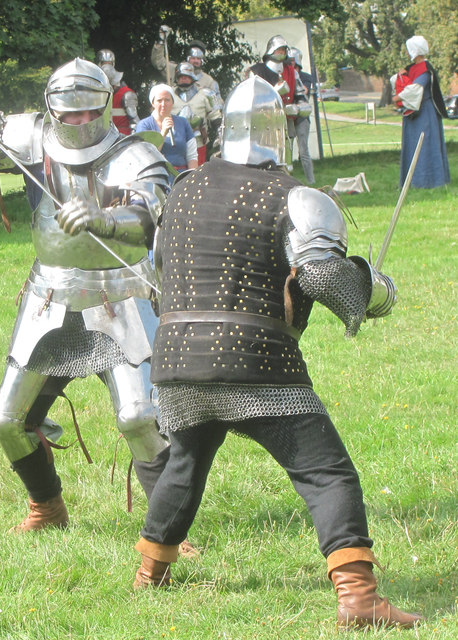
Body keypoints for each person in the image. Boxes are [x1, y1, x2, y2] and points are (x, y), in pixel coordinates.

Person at [131, 75, 423, 631]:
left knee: (186, 463)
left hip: (175, 360)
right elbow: (322, 277)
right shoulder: (296, 196)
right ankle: (360, 600)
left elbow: (157, 274)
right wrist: (373, 290)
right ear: (279, 130)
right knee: (326, 472)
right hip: (255, 360)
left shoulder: (183, 189)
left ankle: (149, 574)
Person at [0, 57, 173, 533]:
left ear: (105, 107)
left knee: (140, 418)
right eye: (70, 114)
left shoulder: (135, 154)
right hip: (48, 297)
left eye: (89, 113)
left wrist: (105, 219)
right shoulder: (30, 135)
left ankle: (168, 526)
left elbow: (149, 215)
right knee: (5, 420)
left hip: (120, 296)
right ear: (53, 110)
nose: (80, 123)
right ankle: (46, 508)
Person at [393, 36, 450, 189]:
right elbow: (402, 82)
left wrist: (397, 98)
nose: (406, 52)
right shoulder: (412, 68)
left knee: (424, 146)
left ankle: (427, 181)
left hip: (425, 114)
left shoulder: (425, 69)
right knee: (412, 146)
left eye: (408, 49)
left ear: (414, 50)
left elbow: (416, 89)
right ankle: (411, 181)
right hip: (413, 114)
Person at [246, 35, 302, 167]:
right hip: (263, 120)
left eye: (283, 49)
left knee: (287, 159)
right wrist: (275, 92)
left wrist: (296, 108)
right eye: (279, 49)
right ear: (271, 50)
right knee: (264, 154)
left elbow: (301, 98)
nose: (281, 52)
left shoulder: (291, 71)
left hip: (286, 120)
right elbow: (251, 99)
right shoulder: (257, 71)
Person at [136, 84, 198, 178]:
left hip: (181, 177)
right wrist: (163, 133)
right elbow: (147, 156)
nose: (163, 104)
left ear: (172, 102)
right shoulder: (144, 125)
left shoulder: (182, 122)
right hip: (156, 178)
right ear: (153, 103)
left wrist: (193, 178)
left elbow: (192, 156)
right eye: (159, 100)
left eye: (167, 100)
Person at [151, 26, 222, 104]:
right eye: (193, 58)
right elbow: (158, 62)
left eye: (198, 59)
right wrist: (161, 41)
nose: (195, 61)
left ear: (202, 61)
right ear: (188, 58)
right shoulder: (175, 70)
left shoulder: (209, 81)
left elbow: (217, 103)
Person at [171, 62, 222, 165]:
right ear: (176, 78)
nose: (183, 79)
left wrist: (220, 135)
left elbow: (216, 118)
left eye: (187, 76)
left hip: (198, 141)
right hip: (174, 141)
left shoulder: (206, 94)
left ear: (192, 77)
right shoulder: (169, 94)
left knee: (197, 174)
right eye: (181, 76)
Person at [96, 49, 140, 135]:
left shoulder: (127, 95)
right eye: (104, 63)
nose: (107, 66)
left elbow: (135, 123)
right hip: (102, 138)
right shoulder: (93, 94)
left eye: (109, 63)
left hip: (122, 137)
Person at [288, 47, 315, 185]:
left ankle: (311, 180)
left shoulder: (305, 77)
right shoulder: (286, 75)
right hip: (290, 117)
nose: (291, 63)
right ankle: (289, 180)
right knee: (288, 150)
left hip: (302, 118)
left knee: (303, 150)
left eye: (293, 61)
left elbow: (304, 91)